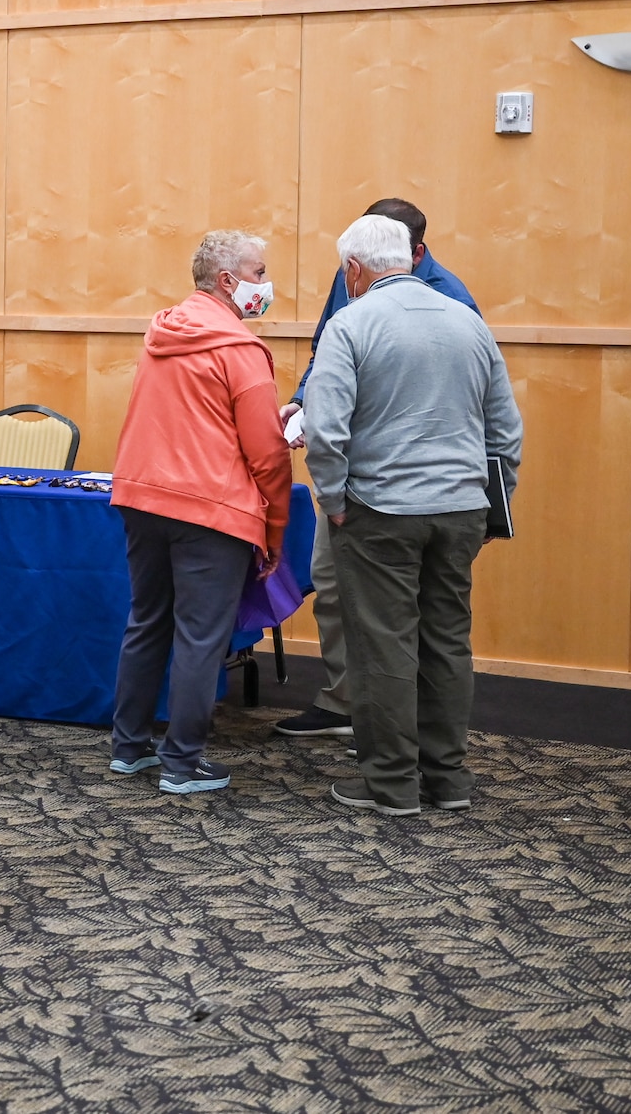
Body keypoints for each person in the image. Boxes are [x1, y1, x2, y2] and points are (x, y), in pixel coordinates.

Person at [304, 214, 521, 816]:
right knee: (448, 641)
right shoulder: (469, 324)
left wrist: (334, 501)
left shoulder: (350, 325)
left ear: (354, 269)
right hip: (461, 508)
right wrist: (493, 506)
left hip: (380, 511)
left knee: (383, 645)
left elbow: (326, 432)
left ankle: (391, 783)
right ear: (409, 256)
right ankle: (447, 779)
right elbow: (505, 430)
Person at [275, 198, 478, 742]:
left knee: (407, 615)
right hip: (352, 475)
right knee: (333, 585)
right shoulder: (353, 272)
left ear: (414, 252)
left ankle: (396, 732)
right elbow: (325, 351)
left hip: (407, 488)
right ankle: (347, 700)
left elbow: (480, 403)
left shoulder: (452, 300)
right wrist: (304, 403)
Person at [107, 230, 293, 794]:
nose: (267, 284)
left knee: (147, 622)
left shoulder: (162, 332)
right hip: (211, 511)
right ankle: (183, 764)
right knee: (199, 637)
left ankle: (130, 747)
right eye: (259, 273)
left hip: (142, 498)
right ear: (229, 281)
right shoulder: (242, 349)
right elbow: (267, 454)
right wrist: (276, 526)